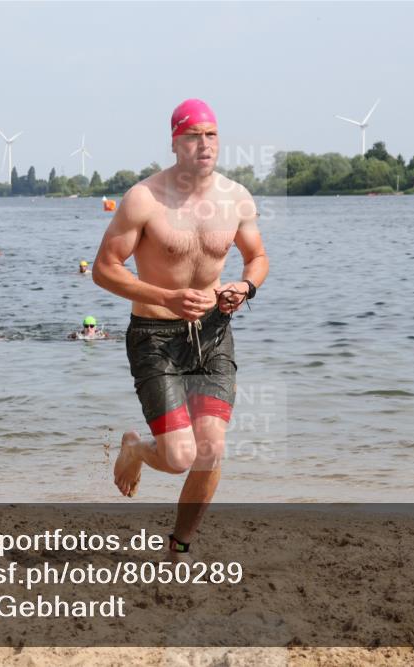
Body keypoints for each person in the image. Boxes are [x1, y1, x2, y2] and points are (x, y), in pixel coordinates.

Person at [92, 99, 268, 556]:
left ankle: (179, 545)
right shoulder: (144, 199)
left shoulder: (236, 198)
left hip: (212, 334)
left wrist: (245, 288)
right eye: (193, 135)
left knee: (211, 449)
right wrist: (166, 297)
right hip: (155, 336)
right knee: (178, 457)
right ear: (175, 142)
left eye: (211, 135)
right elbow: (104, 269)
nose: (204, 144)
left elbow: (257, 258)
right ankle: (135, 447)